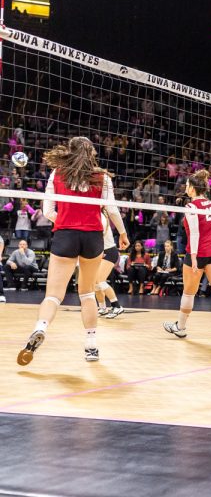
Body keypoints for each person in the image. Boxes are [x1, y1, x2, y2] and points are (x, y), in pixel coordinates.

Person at [18, 136, 129, 366]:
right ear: (91, 153)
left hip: (66, 235)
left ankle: (40, 328)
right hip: (93, 238)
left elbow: (47, 210)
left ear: (70, 151)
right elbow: (112, 209)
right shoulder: (102, 177)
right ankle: (91, 346)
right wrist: (123, 233)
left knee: (53, 295)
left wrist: (66, 220)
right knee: (87, 293)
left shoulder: (57, 173)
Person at [163, 170, 211, 343]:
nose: (186, 188)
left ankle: (180, 328)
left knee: (189, 292)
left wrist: (195, 257)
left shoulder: (191, 207)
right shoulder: (210, 204)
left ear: (192, 187)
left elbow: (195, 234)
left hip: (197, 252)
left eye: (188, 185)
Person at [95, 212, 125, 318]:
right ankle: (102, 308)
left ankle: (116, 306)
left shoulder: (101, 216)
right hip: (99, 251)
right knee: (95, 283)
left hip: (109, 252)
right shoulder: (94, 215)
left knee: (100, 280)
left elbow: (97, 236)